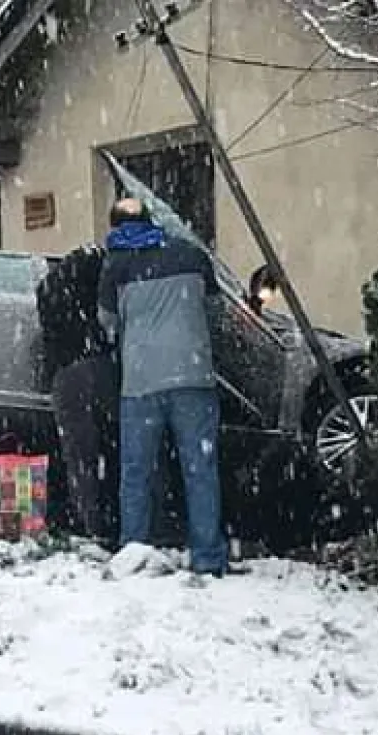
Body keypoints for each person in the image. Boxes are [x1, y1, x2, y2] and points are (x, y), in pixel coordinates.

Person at [97, 197, 229, 576]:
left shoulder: (115, 264)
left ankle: (133, 550)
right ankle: (207, 556)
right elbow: (216, 312)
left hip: (141, 381)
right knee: (200, 469)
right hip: (194, 376)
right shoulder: (191, 253)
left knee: (136, 472)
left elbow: (106, 321)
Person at [36, 244, 119, 547]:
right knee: (114, 445)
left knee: (76, 453)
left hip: (66, 372)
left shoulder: (49, 289)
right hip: (102, 368)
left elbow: (48, 331)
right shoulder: (103, 282)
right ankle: (114, 519)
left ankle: (85, 520)